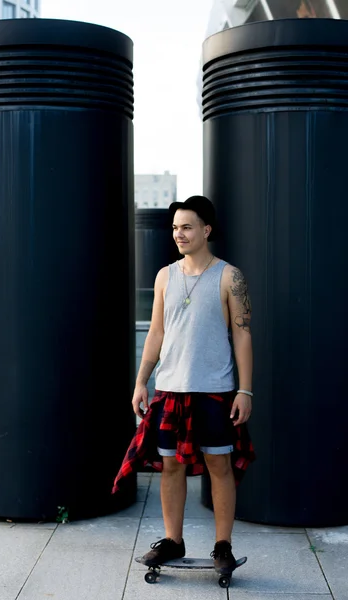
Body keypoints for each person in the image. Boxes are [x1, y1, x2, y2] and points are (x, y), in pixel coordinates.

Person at [112, 195, 255, 575]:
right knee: (170, 466)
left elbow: (242, 336)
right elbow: (156, 332)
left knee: (219, 466)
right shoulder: (165, 276)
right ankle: (173, 542)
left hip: (215, 390)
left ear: (206, 230)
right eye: (175, 227)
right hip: (170, 388)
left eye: (187, 226)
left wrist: (245, 389)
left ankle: (222, 546)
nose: (179, 233)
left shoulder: (230, 276)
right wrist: (142, 381)